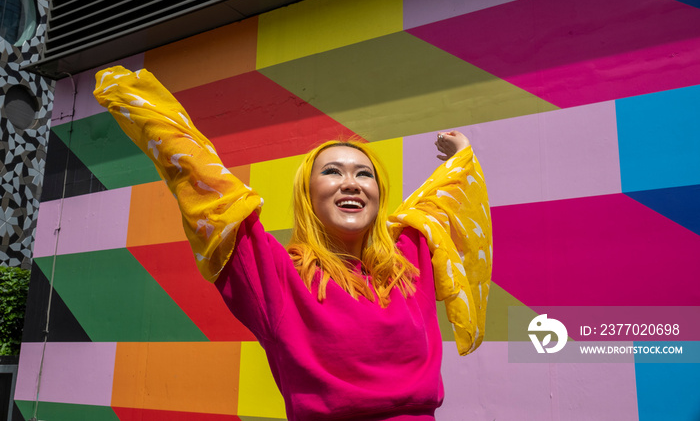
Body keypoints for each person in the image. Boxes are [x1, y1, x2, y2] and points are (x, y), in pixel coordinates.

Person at [94, 66, 492, 421]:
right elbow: (206, 181)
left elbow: (438, 206)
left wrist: (461, 160)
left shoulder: (410, 264)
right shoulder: (277, 275)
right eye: (332, 172)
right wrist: (139, 103)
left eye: (364, 174)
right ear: (308, 194)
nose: (351, 182)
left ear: (378, 192)